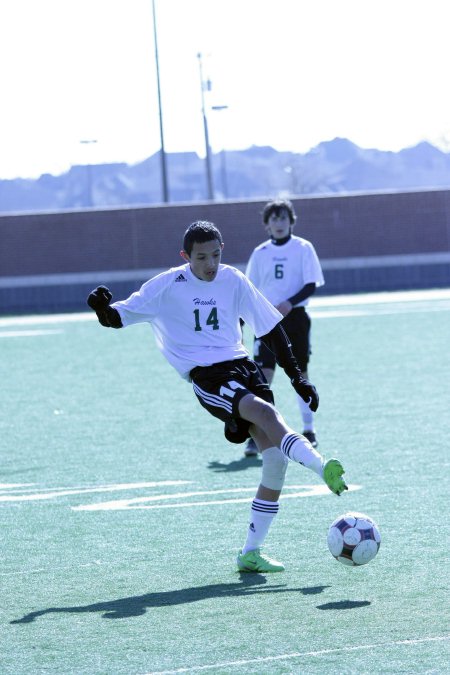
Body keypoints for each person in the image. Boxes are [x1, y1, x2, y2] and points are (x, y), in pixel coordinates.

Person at [87, 220, 347, 573]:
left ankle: (250, 553)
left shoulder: (233, 280)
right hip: (208, 376)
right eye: (201, 257)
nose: (210, 264)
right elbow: (119, 317)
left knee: (274, 461)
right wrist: (103, 310)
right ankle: (321, 467)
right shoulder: (167, 285)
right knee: (265, 415)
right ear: (185, 256)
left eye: (216, 255)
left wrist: (297, 376)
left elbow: (269, 327)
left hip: (243, 367)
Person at [244, 199, 324, 457]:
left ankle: (309, 429)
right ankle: (259, 434)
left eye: (283, 218)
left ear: (291, 221)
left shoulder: (303, 248)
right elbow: (249, 290)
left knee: (299, 373)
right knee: (263, 377)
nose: (279, 224)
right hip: (266, 321)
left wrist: (290, 303)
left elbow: (312, 284)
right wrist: (242, 322)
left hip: (296, 319)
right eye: (273, 219)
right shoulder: (260, 253)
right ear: (266, 225)